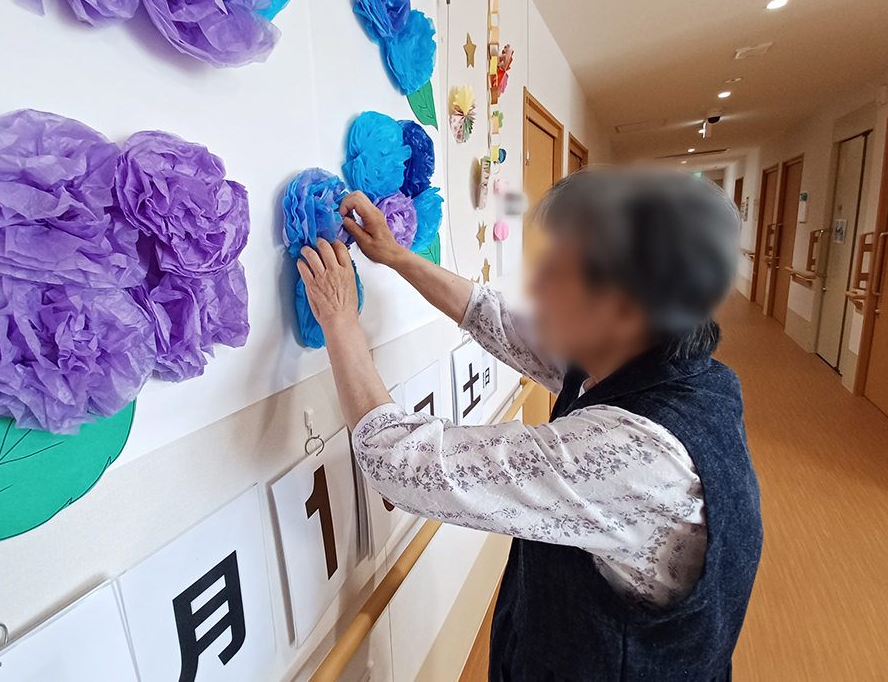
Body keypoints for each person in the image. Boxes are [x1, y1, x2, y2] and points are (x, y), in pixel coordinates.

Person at [295, 167, 762, 682]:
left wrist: (339, 320)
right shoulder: (671, 368)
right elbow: (494, 318)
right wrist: (396, 255)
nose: (534, 285)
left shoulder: (635, 455)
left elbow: (401, 463)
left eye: (557, 272)